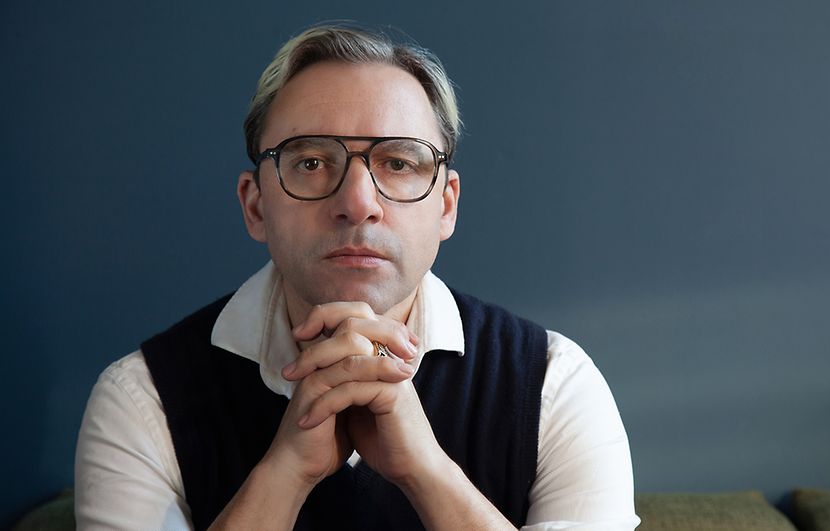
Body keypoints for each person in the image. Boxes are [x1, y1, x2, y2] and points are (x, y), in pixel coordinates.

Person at [75, 23, 639, 530]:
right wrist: (285, 473)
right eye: (311, 162)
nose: (358, 203)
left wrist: (426, 471)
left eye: (399, 163)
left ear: (446, 206)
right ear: (255, 206)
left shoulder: (555, 384)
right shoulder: (142, 398)